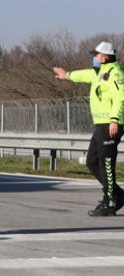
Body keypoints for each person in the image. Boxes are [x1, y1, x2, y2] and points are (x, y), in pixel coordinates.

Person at [53, 41, 124, 217]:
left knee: (106, 163)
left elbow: (121, 97)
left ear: (105, 57)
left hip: (110, 124)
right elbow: (84, 75)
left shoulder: (115, 73)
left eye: (96, 55)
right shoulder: (100, 73)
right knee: (92, 161)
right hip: (101, 125)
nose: (94, 58)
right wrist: (67, 75)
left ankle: (111, 201)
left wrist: (114, 120)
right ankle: (117, 194)